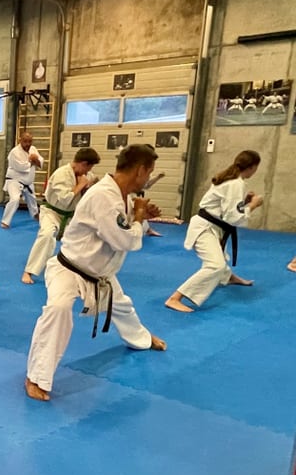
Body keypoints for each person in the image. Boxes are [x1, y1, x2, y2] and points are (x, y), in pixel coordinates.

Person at [24, 144, 167, 402]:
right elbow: (124, 240)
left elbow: (127, 227)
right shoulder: (104, 196)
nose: (148, 178)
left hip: (101, 273)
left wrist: (141, 218)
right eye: (149, 172)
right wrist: (139, 218)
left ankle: (142, 338)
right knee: (58, 310)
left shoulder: (121, 195)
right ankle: (36, 376)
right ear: (141, 170)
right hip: (70, 269)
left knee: (123, 307)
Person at [165, 150, 263, 313]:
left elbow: (226, 209)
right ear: (252, 167)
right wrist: (253, 205)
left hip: (213, 226)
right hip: (205, 228)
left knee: (220, 256)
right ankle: (175, 298)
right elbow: (233, 218)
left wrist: (245, 202)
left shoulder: (232, 179)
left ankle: (228, 277)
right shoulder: (235, 183)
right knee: (215, 265)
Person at [21, 148, 100, 285]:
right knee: (46, 234)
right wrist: (81, 185)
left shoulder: (87, 175)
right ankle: (29, 271)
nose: (89, 171)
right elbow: (64, 199)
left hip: (71, 216)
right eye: (89, 167)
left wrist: (89, 186)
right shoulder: (61, 174)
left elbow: (90, 190)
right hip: (52, 212)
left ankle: (83, 271)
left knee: (87, 238)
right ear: (83, 163)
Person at [1, 132, 43, 229]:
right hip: (14, 181)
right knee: (15, 199)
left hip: (27, 182)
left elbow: (40, 161)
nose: (28, 144)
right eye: (25, 141)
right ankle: (5, 221)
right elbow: (21, 167)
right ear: (20, 141)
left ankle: (35, 214)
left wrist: (35, 159)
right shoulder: (14, 152)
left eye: (30, 141)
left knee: (32, 200)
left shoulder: (33, 149)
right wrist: (33, 161)